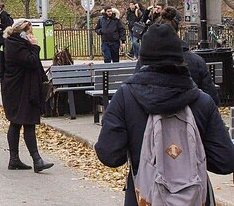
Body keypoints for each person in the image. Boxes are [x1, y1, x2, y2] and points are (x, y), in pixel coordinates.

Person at [96, 23, 234, 206]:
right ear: (180, 58)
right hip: (195, 198)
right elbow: (225, 161)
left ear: (142, 58)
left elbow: (109, 154)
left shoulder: (126, 98)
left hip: (143, 198)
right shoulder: (202, 101)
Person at [0, 19, 54, 172]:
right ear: (23, 31)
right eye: (31, 31)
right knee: (27, 122)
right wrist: (35, 46)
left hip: (17, 89)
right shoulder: (17, 45)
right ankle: (36, 160)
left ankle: (15, 160)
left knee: (17, 123)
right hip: (21, 90)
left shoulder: (14, 43)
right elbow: (31, 61)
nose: (33, 34)